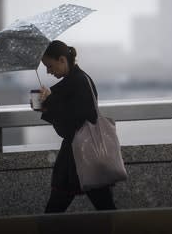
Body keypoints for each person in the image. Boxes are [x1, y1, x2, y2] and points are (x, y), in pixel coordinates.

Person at [35, 39, 117, 213]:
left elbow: (70, 125)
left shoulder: (78, 83)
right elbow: (59, 111)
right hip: (84, 156)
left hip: (80, 156)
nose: (49, 72)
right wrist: (46, 101)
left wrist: (49, 102)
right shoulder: (77, 80)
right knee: (105, 206)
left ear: (62, 60)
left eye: (50, 66)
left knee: (56, 209)